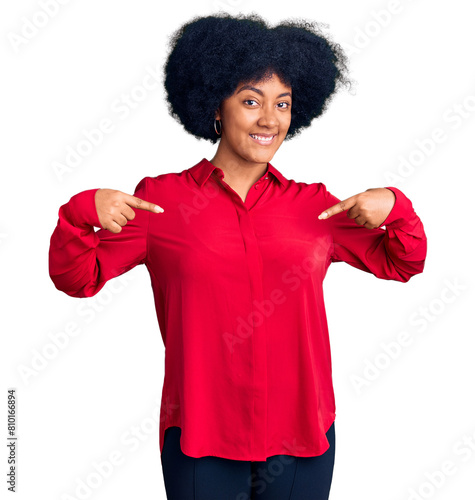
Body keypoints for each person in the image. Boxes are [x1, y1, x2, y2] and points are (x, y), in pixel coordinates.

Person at [48, 12, 427, 500]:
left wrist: (397, 205)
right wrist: (81, 213)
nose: (270, 120)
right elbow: (77, 278)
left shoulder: (317, 206)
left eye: (283, 104)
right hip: (200, 440)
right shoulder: (160, 205)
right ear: (215, 107)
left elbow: (403, 262)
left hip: (301, 440)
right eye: (251, 101)